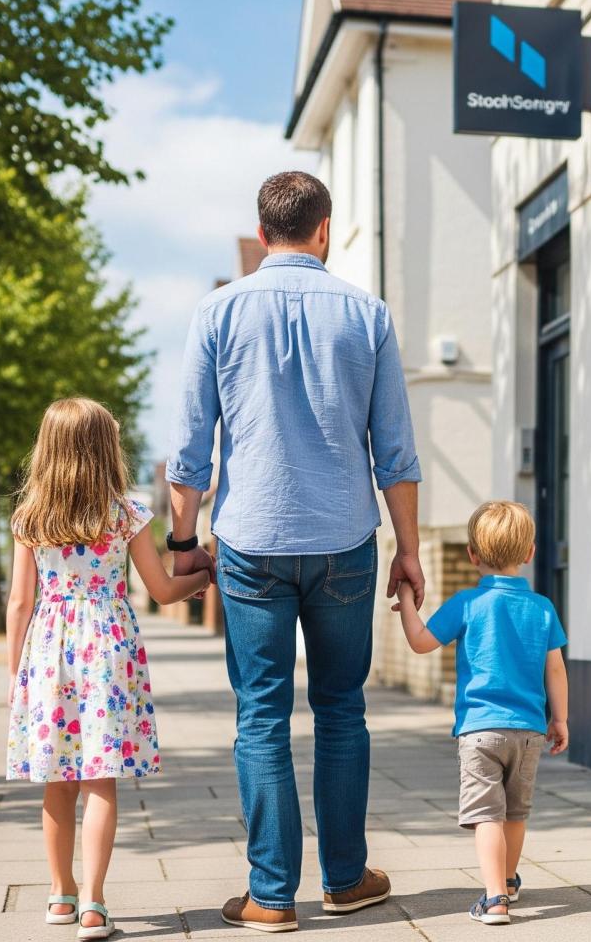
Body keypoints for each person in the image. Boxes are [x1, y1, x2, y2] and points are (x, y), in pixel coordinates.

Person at [167, 170, 424, 933]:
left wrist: (183, 543)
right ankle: (345, 879)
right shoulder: (367, 314)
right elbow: (396, 453)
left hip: (251, 543)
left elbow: (189, 451)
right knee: (342, 709)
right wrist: (409, 550)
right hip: (346, 540)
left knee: (261, 716)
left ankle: (271, 896)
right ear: (324, 230)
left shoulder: (217, 312)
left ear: (262, 232)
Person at [5, 398, 212, 940]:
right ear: (106, 449)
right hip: (107, 650)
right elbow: (161, 589)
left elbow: (19, 603)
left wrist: (14, 675)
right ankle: (94, 905)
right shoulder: (125, 514)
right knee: (100, 779)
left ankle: (60, 894)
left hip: (48, 651)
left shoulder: (31, 517)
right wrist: (203, 576)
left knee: (57, 778)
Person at [391, 501, 569, 926]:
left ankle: (494, 900)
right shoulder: (542, 607)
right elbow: (556, 669)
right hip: (529, 731)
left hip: (479, 731)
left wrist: (407, 600)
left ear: (472, 555)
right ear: (530, 553)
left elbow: (420, 642)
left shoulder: (467, 603)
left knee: (487, 815)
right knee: (516, 813)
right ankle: (507, 880)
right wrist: (559, 718)